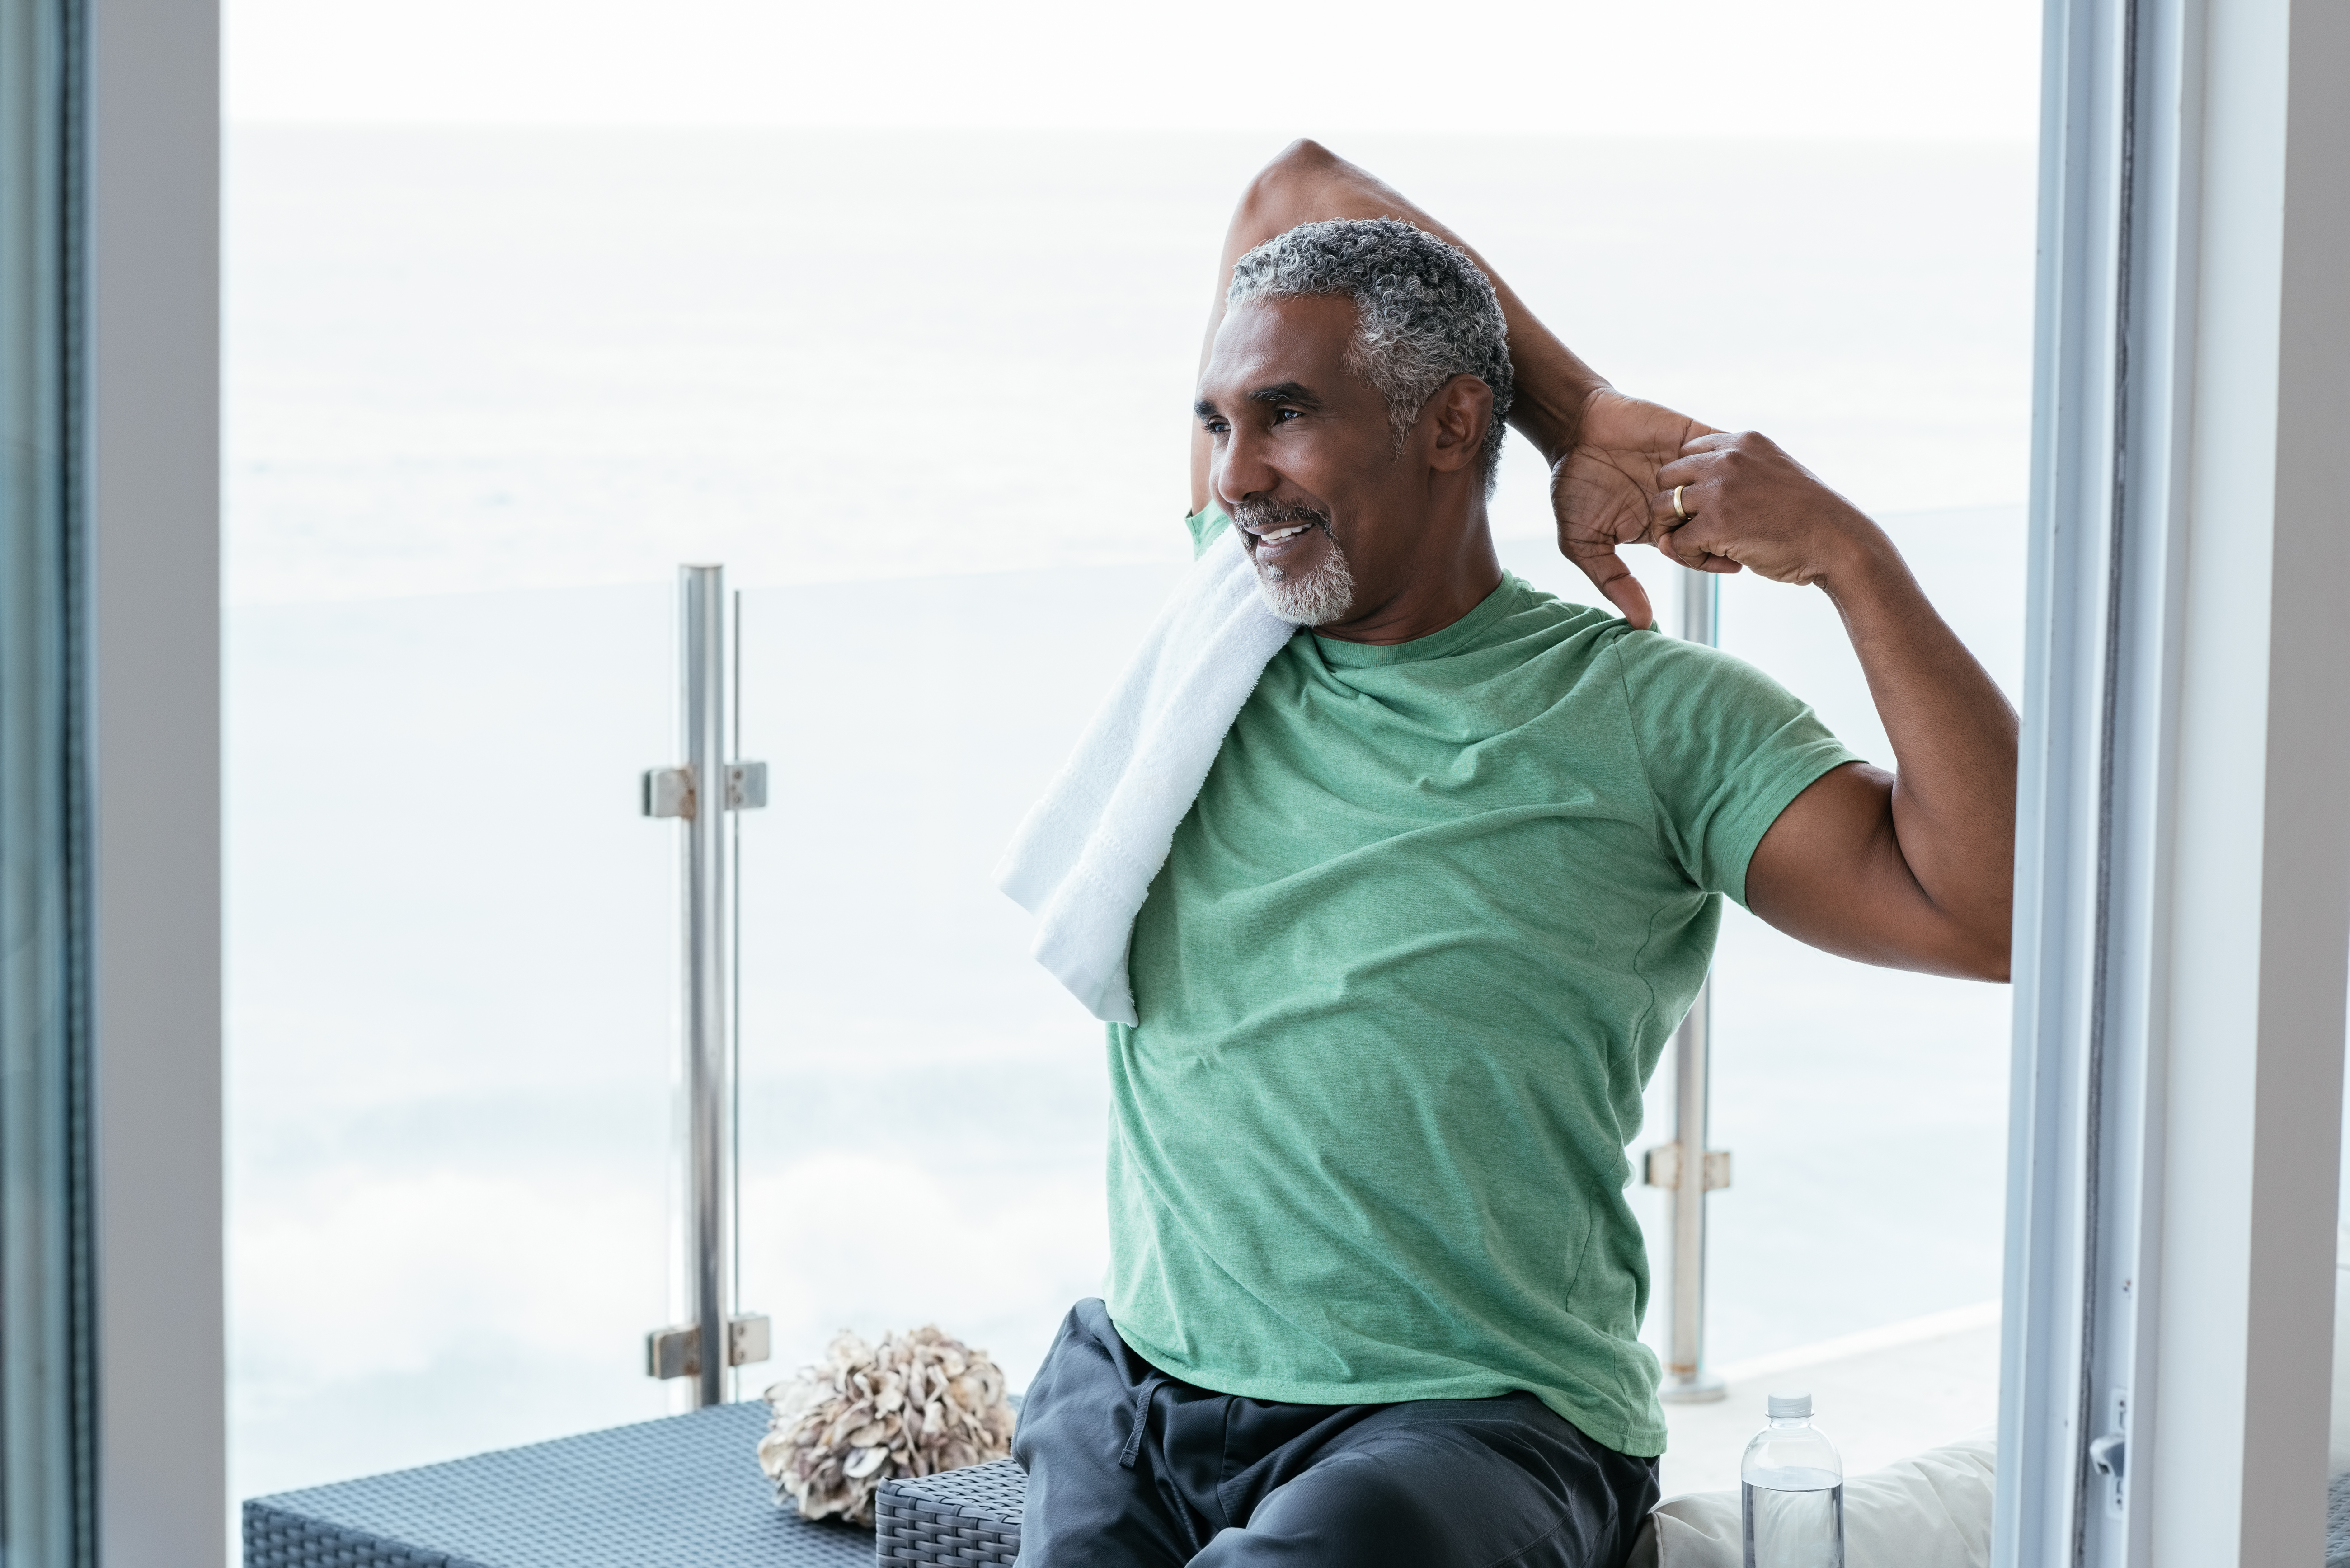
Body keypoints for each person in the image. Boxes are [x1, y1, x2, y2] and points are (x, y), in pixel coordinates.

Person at [1010, 140, 2017, 1568]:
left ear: (1444, 424)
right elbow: (1294, 191)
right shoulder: (1233, 631)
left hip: (1466, 1432)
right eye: (1218, 423)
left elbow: (2006, 914)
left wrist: (1853, 557)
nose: (1236, 476)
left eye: (1286, 415)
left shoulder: (1651, 715)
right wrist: (1583, 416)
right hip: (1141, 1389)